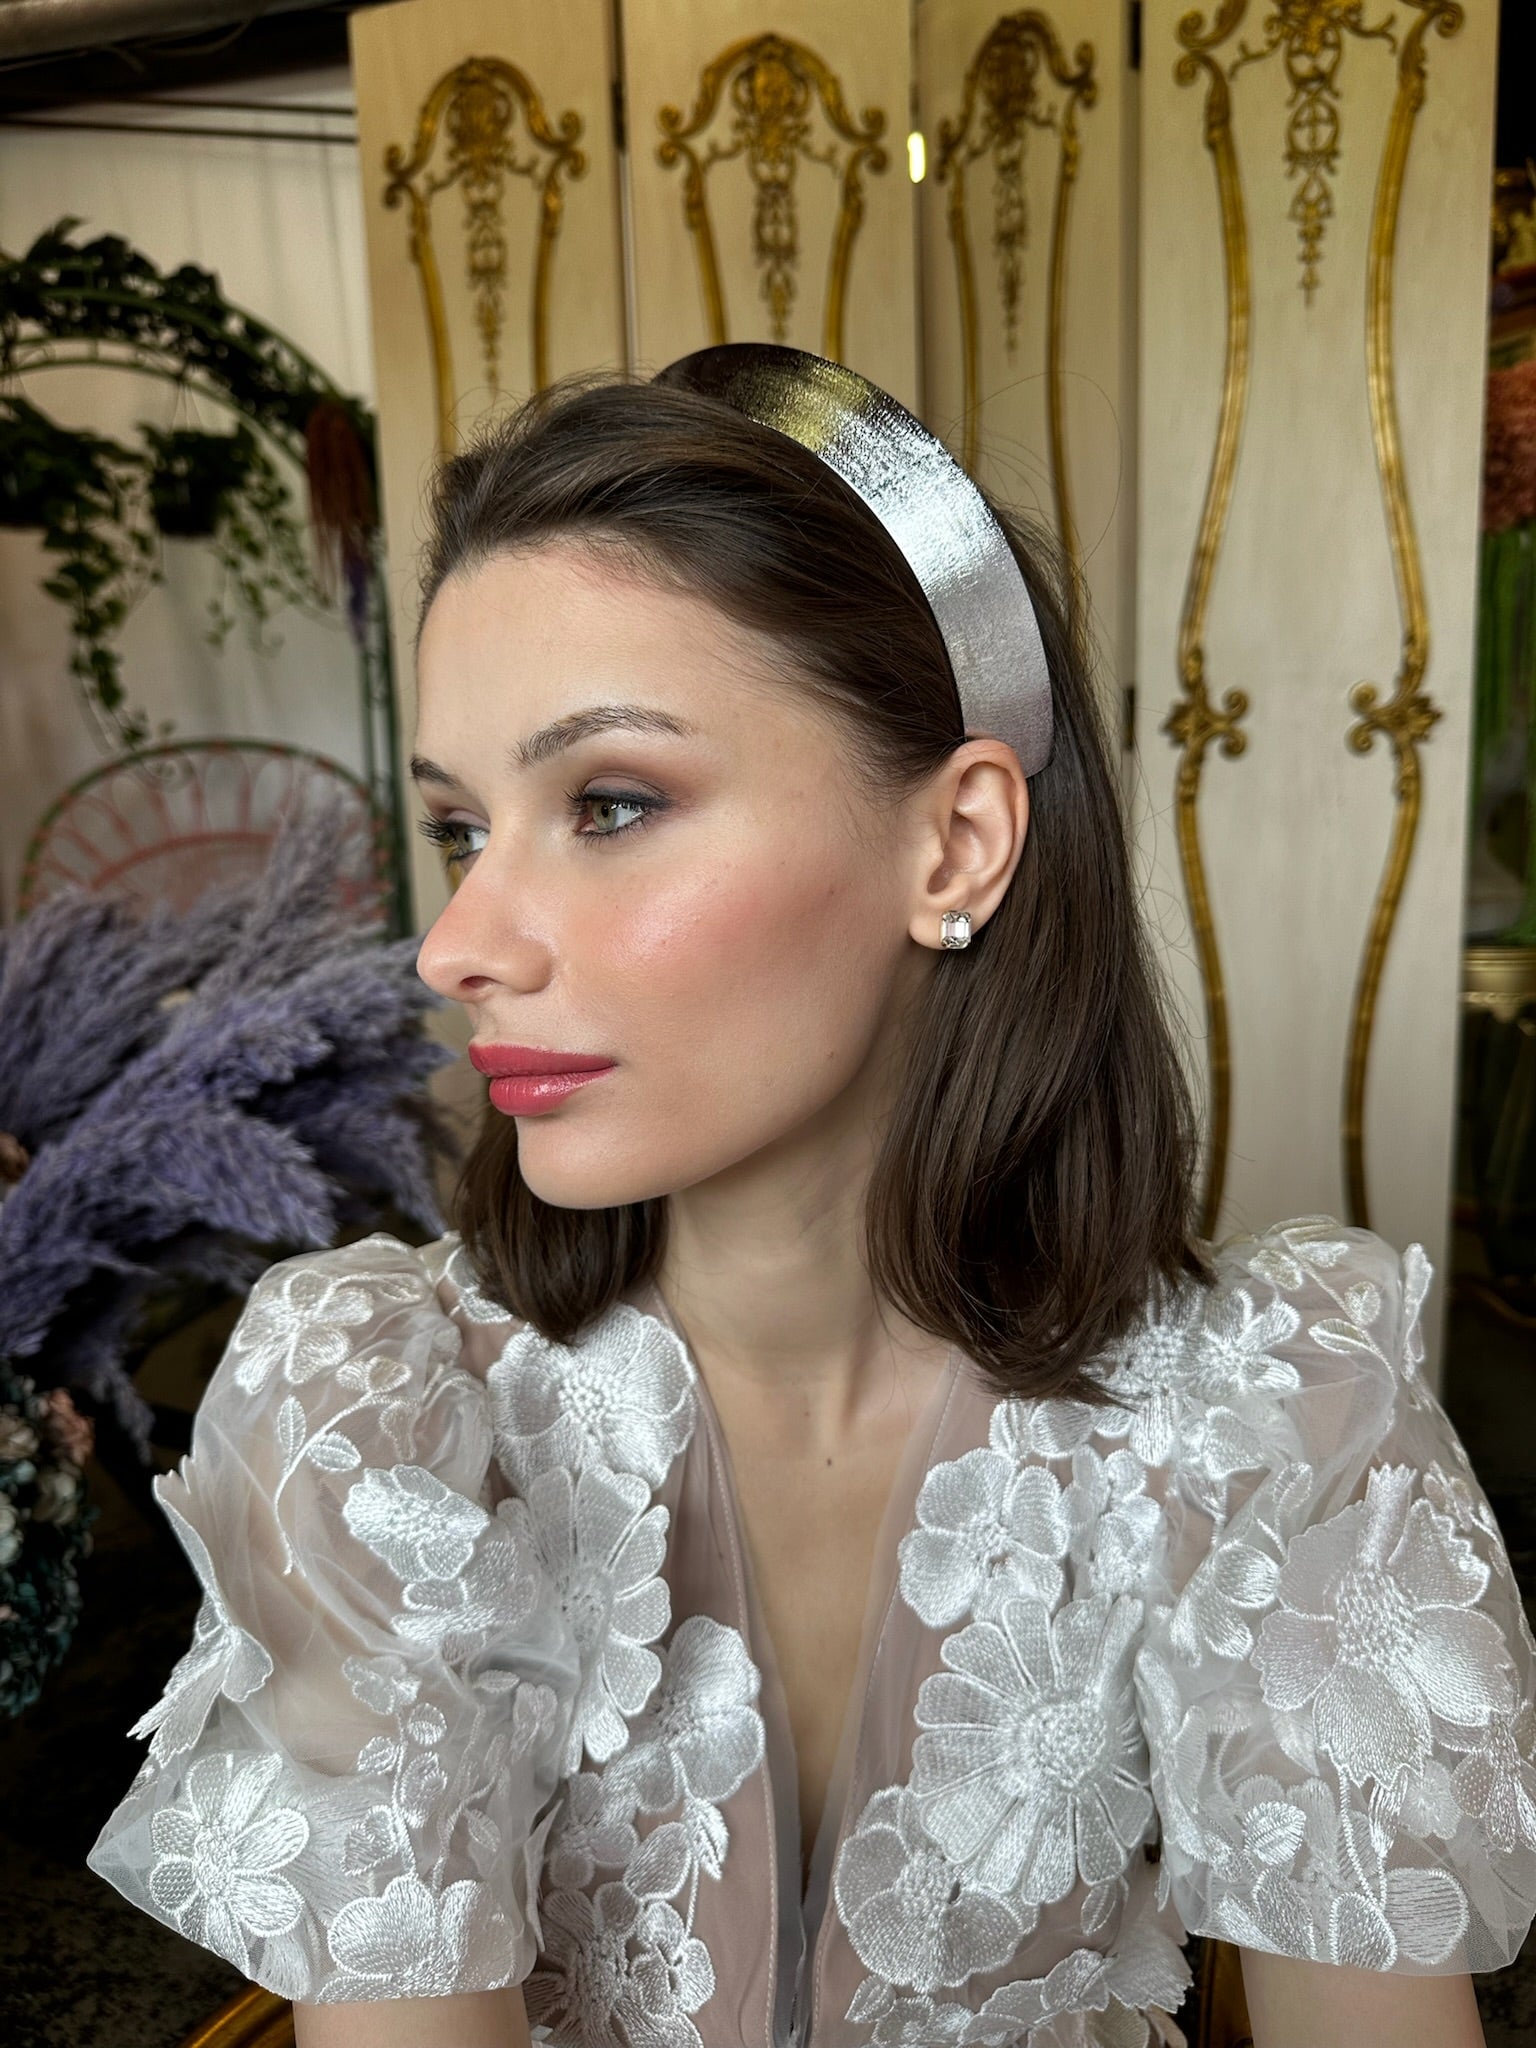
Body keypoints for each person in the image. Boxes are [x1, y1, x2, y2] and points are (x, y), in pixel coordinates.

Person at [89, 345, 1536, 2048]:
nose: (459, 943)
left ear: (957, 843)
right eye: (465, 827)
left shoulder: (1272, 1418)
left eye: (609, 803)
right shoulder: (381, 1423)